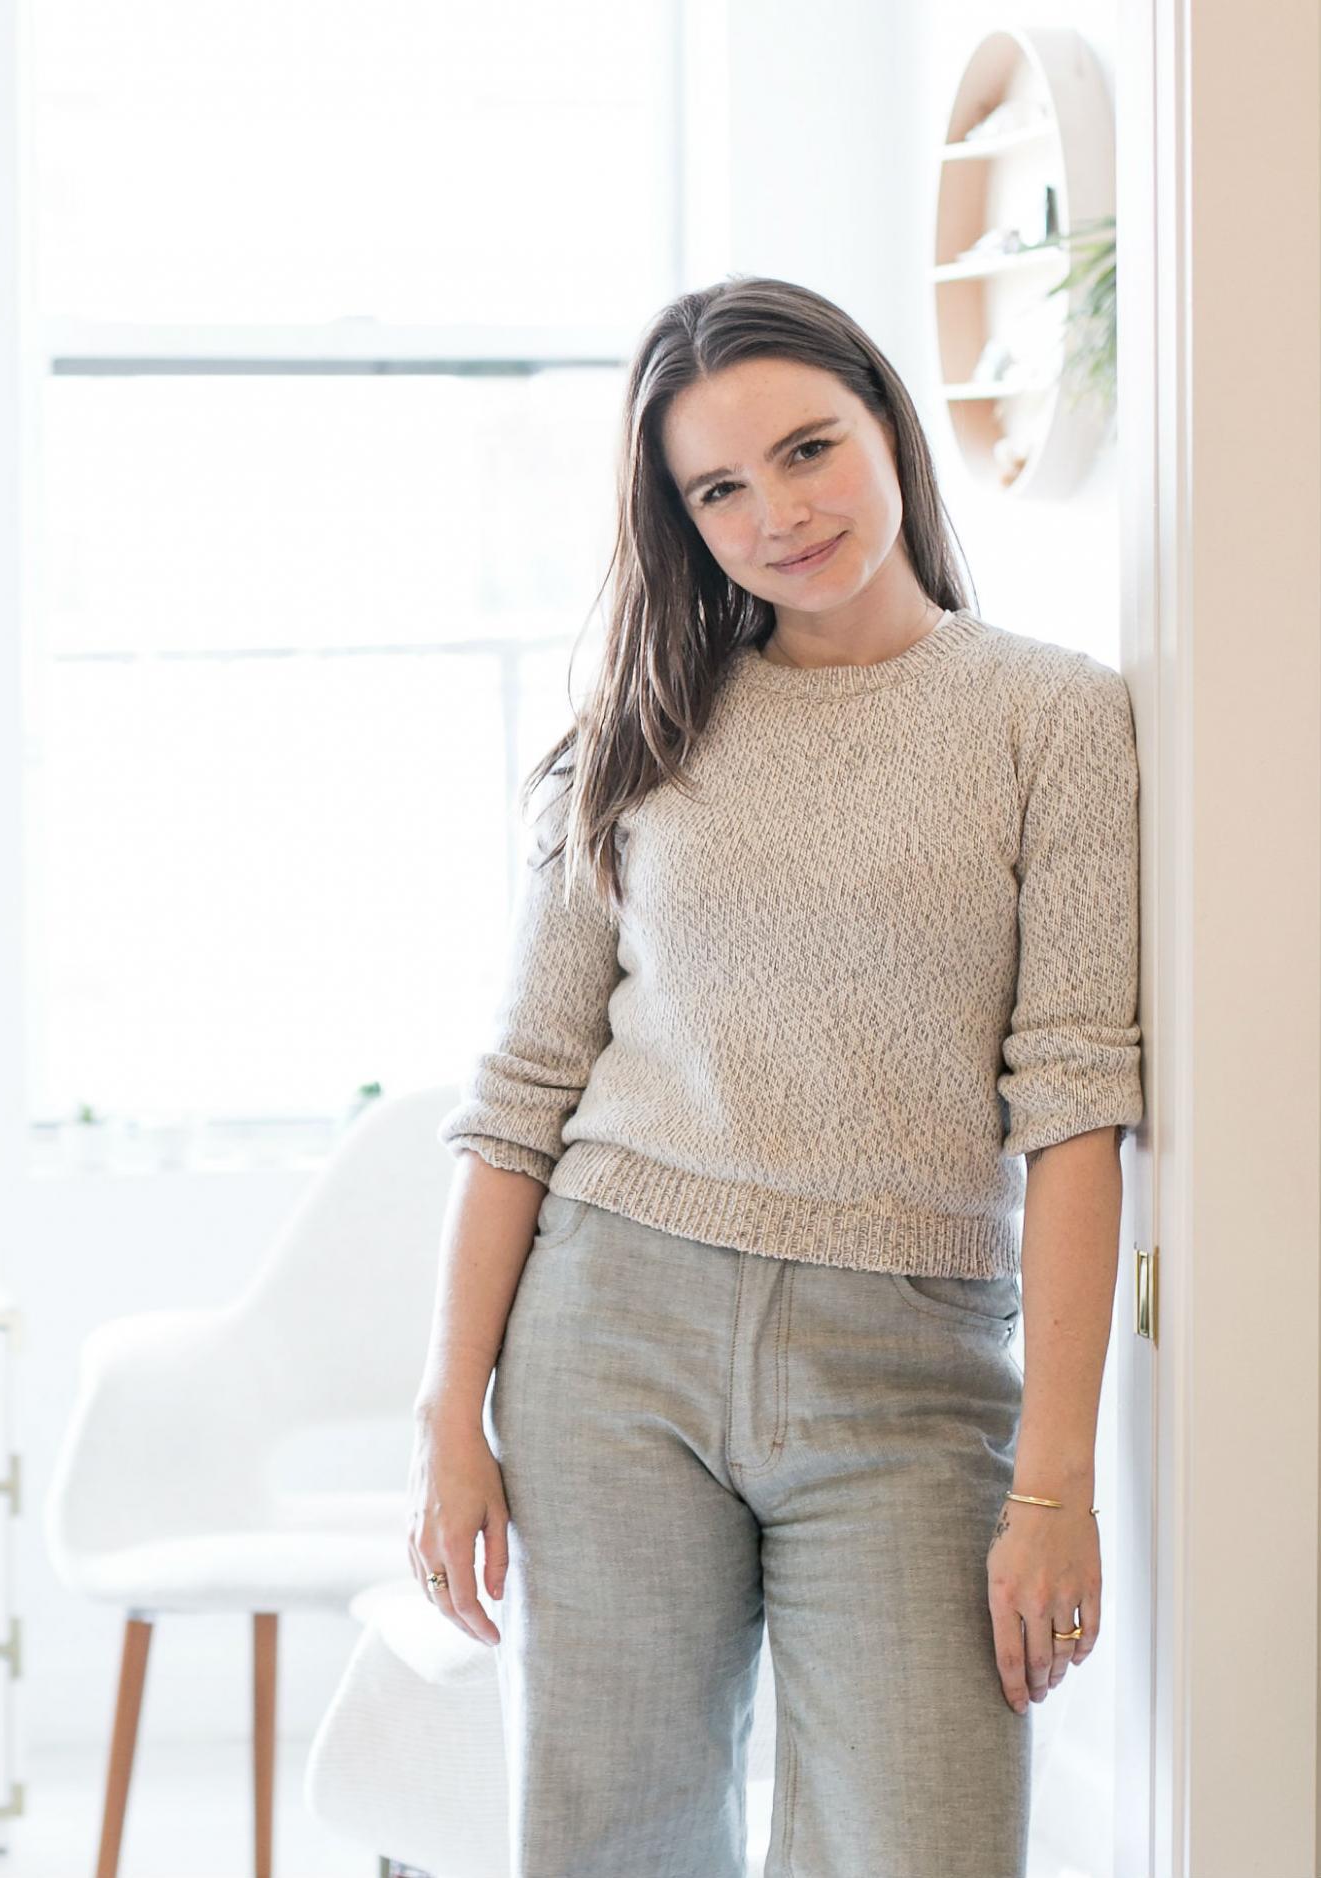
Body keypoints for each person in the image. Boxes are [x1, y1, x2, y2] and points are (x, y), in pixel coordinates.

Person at [405, 274, 1143, 1877]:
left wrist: (1057, 1484)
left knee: (928, 1843)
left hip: (909, 1374)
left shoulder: (1056, 721)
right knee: (617, 1843)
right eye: (719, 489)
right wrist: (449, 1411)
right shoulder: (641, 725)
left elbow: (1080, 1112)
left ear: (888, 422)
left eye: (808, 450)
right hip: (610, 1340)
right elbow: (524, 1085)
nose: (777, 514)